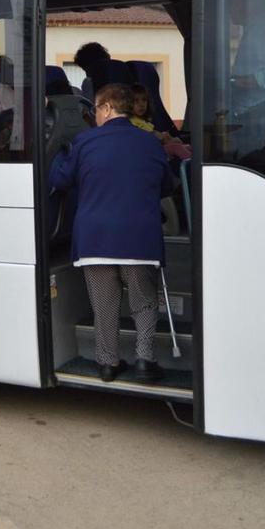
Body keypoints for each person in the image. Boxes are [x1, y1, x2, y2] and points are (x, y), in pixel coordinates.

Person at [48, 82, 174, 383]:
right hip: (139, 238)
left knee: (104, 305)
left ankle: (107, 363)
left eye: (96, 109)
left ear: (106, 108)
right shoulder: (150, 143)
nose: (95, 115)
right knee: (143, 302)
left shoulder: (85, 142)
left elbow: (60, 178)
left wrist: (59, 154)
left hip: (95, 238)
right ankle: (145, 360)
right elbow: (167, 186)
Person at [128, 84, 192, 161]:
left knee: (188, 147)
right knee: (176, 148)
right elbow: (142, 137)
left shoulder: (145, 122)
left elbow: (155, 134)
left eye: (144, 100)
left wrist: (165, 136)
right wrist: (159, 136)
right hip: (149, 151)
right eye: (136, 101)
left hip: (157, 146)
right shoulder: (131, 121)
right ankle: (192, 169)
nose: (141, 104)